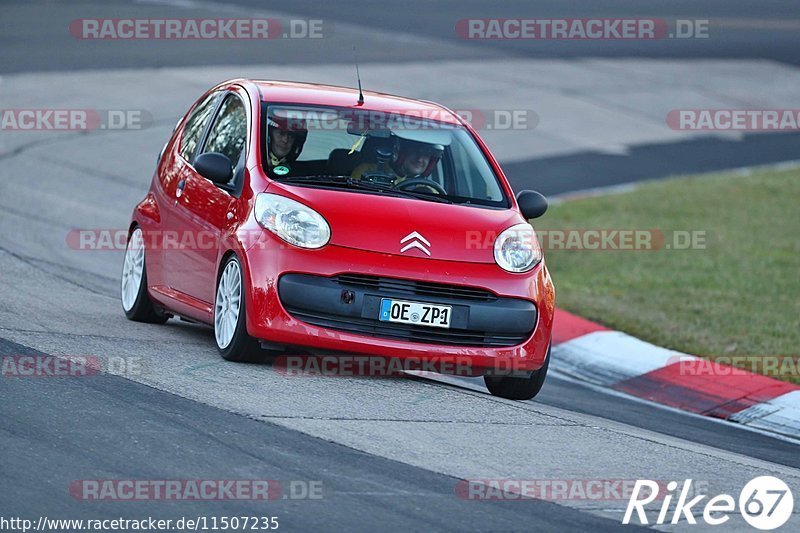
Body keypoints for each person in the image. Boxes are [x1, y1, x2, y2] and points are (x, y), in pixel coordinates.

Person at [351, 137, 444, 190]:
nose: (420, 159)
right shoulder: (366, 172)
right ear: (400, 152)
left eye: (426, 155)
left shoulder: (429, 189)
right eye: (416, 152)